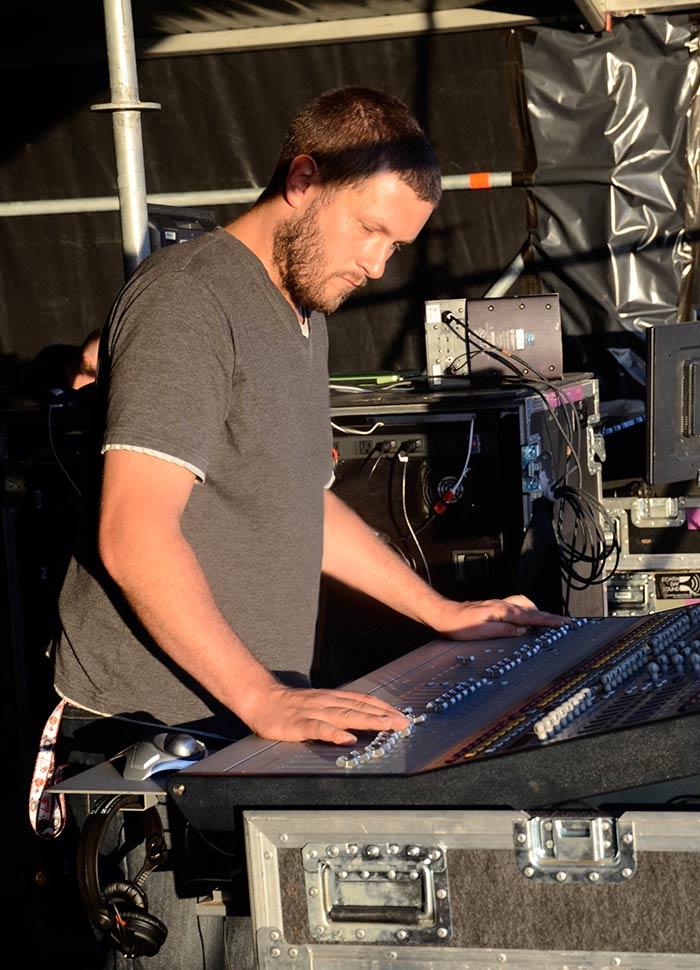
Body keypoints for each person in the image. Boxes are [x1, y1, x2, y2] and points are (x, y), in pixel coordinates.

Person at [50, 87, 563, 967]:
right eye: (370, 229)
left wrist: (441, 614)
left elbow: (299, 501)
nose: (380, 264)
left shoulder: (302, 310)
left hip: (244, 721)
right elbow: (133, 534)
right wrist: (264, 699)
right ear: (302, 177)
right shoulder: (189, 301)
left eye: (396, 244)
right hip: (157, 737)